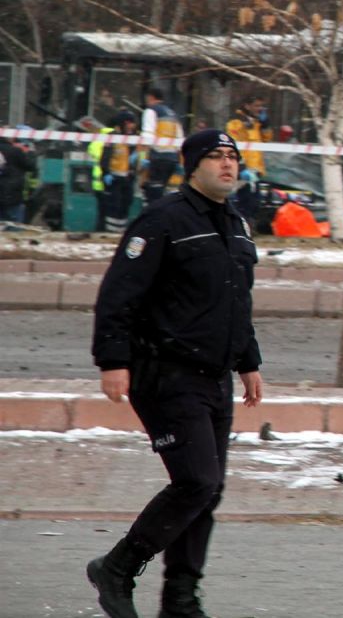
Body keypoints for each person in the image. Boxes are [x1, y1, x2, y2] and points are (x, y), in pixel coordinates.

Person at [87, 128, 264, 618]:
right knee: (196, 482)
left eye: (233, 157)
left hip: (215, 377)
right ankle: (118, 567)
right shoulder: (164, 219)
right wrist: (113, 361)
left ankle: (181, 599)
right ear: (192, 165)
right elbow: (120, 292)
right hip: (164, 371)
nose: (227, 164)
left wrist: (249, 361)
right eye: (216, 157)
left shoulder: (237, 223)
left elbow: (235, 300)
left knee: (208, 491)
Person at [223, 95, 271, 225]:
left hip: (255, 168)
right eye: (256, 106)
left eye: (261, 106)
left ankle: (246, 227)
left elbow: (266, 139)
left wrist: (265, 125)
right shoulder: (237, 121)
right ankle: (238, 227)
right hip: (243, 168)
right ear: (247, 105)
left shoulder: (256, 122)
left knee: (254, 202)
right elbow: (233, 143)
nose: (259, 109)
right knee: (243, 201)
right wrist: (241, 166)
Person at [92, 111, 141, 233]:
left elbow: (133, 159)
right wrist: (106, 173)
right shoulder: (112, 137)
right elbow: (105, 158)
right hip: (114, 179)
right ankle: (111, 232)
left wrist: (133, 170)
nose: (132, 126)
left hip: (126, 179)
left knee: (126, 204)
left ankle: (120, 232)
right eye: (129, 123)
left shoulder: (131, 138)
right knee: (113, 206)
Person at [140, 88, 184, 205]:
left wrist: (144, 157)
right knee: (166, 194)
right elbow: (180, 138)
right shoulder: (173, 114)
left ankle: (152, 220)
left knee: (152, 194)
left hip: (157, 157)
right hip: (172, 159)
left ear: (151, 97)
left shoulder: (151, 111)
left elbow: (147, 135)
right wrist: (179, 162)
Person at [0, 131, 37, 224]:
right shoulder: (15, 151)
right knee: (14, 225)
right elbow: (30, 166)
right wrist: (30, 153)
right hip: (12, 194)